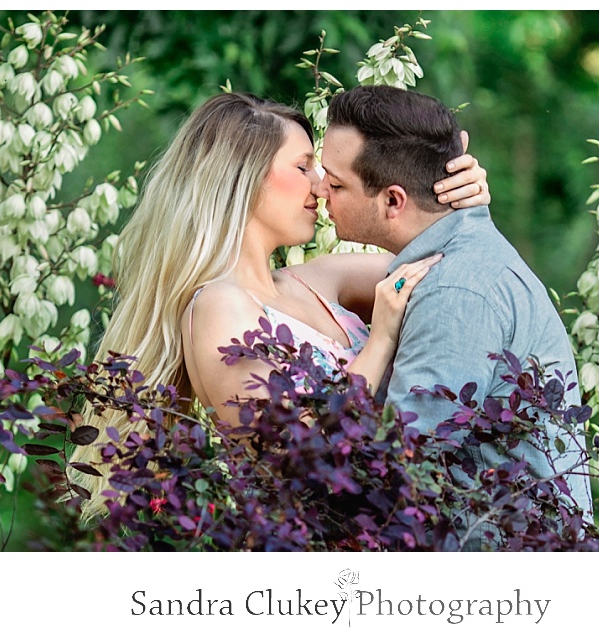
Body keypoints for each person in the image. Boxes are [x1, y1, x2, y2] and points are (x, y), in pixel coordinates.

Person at [69, 92, 490, 519]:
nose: (320, 184)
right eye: (303, 166)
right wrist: (378, 341)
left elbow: (441, 260)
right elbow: (293, 455)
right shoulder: (217, 307)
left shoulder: (321, 279)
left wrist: (454, 192)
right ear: (244, 177)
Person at [317, 84, 593, 549]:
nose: (319, 189)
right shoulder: (455, 256)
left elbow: (399, 464)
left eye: (336, 183)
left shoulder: (453, 290)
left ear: (393, 201)